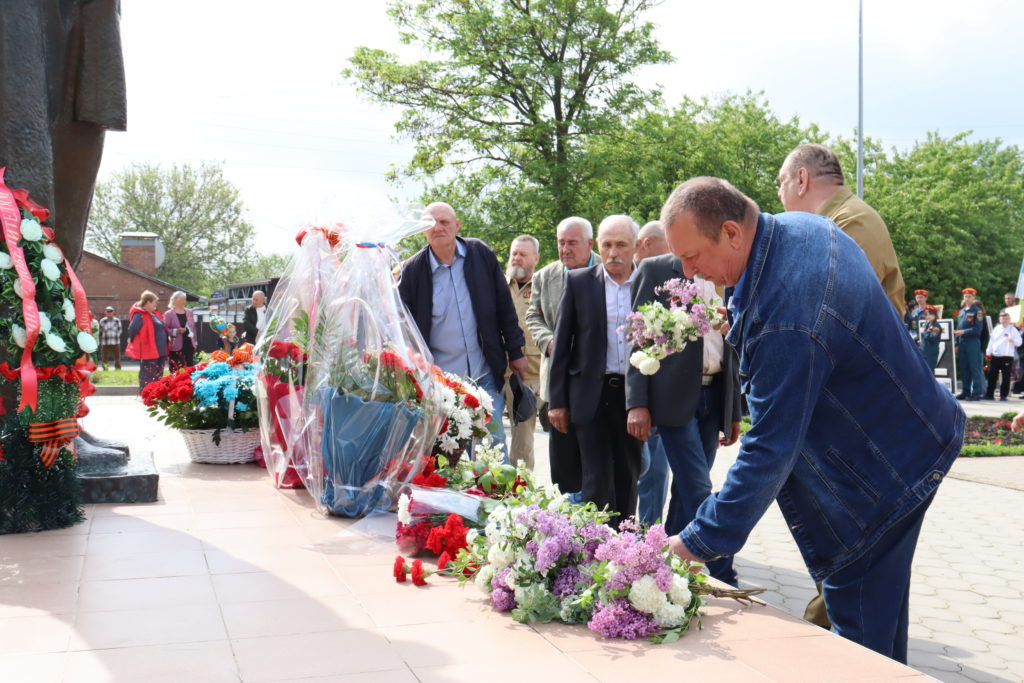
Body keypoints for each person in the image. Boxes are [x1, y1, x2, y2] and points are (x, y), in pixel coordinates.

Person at [661, 177, 964, 663]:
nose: (687, 270)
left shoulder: (788, 314)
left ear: (732, 233)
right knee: (881, 627)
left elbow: (770, 448)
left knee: (859, 641)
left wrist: (696, 542)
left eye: (692, 255)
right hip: (907, 445)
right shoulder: (797, 228)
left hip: (878, 481)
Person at [779, 143, 910, 629]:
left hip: (859, 415)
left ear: (801, 180)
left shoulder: (846, 226)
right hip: (856, 409)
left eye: (780, 183)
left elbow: (827, 317)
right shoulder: (846, 220)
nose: (779, 196)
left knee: (848, 556)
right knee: (863, 568)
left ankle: (825, 644)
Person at [625, 250, 742, 584]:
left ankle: (664, 573)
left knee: (685, 494)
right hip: (673, 400)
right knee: (700, 488)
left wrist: (733, 410)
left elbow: (732, 345)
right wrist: (637, 403)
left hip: (715, 396)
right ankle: (725, 575)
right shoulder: (656, 269)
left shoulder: (730, 268)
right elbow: (639, 339)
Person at [398, 202, 527, 456]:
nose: (437, 228)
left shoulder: (480, 254)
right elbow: (404, 328)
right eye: (430, 224)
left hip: (484, 372)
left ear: (457, 225)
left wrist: (516, 352)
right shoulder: (412, 271)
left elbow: (504, 305)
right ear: (423, 231)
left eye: (444, 222)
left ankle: (498, 484)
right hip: (441, 382)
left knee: (493, 447)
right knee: (449, 452)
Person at [548, 215, 643, 527]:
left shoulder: (647, 283)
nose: (613, 253)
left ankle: (625, 543)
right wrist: (557, 401)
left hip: (632, 396)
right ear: (597, 246)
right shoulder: (579, 282)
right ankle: (594, 542)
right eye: (607, 245)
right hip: (590, 394)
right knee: (594, 475)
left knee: (627, 473)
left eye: (621, 245)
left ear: (635, 247)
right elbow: (562, 344)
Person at [778, 143, 906, 315]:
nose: (779, 192)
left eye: (782, 181)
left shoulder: (850, 222)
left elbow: (831, 311)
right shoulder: (840, 221)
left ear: (802, 179)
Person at [525, 217, 601, 494]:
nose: (565, 249)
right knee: (564, 464)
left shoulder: (607, 272)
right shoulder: (545, 276)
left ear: (590, 244)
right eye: (561, 243)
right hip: (559, 382)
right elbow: (533, 316)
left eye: (572, 243)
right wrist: (548, 342)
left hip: (597, 380)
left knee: (597, 464)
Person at [629, 220, 672, 527]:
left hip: (657, 394)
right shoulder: (624, 277)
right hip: (621, 391)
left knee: (655, 471)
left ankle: (648, 534)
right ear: (646, 243)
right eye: (668, 246)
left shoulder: (671, 278)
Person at [503, 235, 543, 468]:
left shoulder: (543, 287)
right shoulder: (498, 284)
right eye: (514, 253)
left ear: (536, 258)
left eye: (523, 254)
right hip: (496, 369)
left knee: (522, 440)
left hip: (530, 375)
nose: (517, 258)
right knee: (485, 433)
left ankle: (520, 486)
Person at [125, 290, 168, 392]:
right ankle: (145, 392)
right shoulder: (139, 314)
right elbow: (132, 329)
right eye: (154, 302)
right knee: (147, 373)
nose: (155, 305)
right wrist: (133, 340)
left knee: (158, 373)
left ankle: (156, 393)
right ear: (148, 302)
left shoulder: (153, 314)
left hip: (160, 350)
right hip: (149, 350)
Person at [955, 288, 986, 401]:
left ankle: (976, 392)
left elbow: (978, 329)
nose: (967, 298)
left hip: (972, 342)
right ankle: (965, 391)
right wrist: (956, 343)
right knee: (964, 368)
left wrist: (963, 332)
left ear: (974, 298)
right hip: (962, 342)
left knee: (975, 368)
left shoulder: (977, 311)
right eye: (965, 296)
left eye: (969, 296)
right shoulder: (962, 311)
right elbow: (958, 327)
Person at [985, 310, 1022, 401]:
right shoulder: (996, 329)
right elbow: (992, 341)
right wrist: (988, 352)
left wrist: (1012, 340)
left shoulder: (1012, 329)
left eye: (1006, 318)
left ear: (1009, 320)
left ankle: (1003, 395)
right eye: (1002, 318)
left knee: (1006, 377)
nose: (1004, 320)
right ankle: (990, 394)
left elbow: (1019, 342)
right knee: (992, 376)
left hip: (1007, 356)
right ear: (999, 319)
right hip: (995, 356)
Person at [164, 291, 198, 373]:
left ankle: (188, 381)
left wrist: (195, 342)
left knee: (190, 369)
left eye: (184, 299)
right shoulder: (169, 314)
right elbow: (165, 329)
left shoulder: (189, 312)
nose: (184, 301)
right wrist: (176, 331)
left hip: (189, 345)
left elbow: (193, 328)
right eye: (182, 299)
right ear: (175, 300)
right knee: (176, 369)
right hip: (176, 346)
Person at [98, 305, 122, 371]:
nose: (109, 313)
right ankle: (105, 368)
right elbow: (100, 331)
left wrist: (116, 335)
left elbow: (120, 330)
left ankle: (118, 369)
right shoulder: (102, 321)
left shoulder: (117, 320)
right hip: (105, 342)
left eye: (111, 311)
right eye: (108, 311)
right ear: (105, 312)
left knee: (117, 356)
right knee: (104, 357)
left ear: (113, 312)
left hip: (115, 341)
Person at [920, 306, 943, 370]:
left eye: (931, 314)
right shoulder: (927, 324)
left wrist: (924, 333)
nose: (928, 316)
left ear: (935, 315)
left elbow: (932, 338)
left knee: (929, 371)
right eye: (927, 314)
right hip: (923, 351)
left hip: (931, 353)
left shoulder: (936, 327)